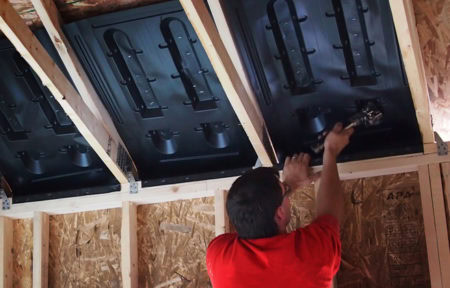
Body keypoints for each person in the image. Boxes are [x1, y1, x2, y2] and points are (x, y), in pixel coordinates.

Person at [206, 123, 354, 288]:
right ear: (279, 214)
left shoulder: (218, 256)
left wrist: (288, 186)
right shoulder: (312, 254)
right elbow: (331, 213)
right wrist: (331, 150)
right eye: (284, 190)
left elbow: (251, 213)